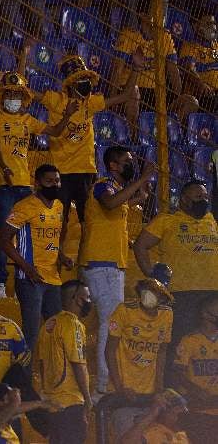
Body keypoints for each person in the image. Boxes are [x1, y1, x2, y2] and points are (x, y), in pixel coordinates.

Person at [34, 56, 137, 265]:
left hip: (86, 171)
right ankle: (56, 261)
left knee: (88, 222)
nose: (86, 84)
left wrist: (137, 67)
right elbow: (28, 92)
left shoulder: (91, 103)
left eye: (87, 79)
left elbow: (126, 95)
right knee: (60, 223)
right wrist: (25, 57)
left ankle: (84, 263)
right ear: (70, 83)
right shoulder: (56, 100)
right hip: (60, 172)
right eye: (81, 79)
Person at [0, 75, 75, 298]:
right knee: (6, 233)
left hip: (25, 186)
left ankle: (23, 279)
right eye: (10, 94)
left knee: (26, 237)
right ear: (3, 97)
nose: (13, 98)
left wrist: (67, 115)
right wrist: (4, 168)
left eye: (17, 95)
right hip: (4, 186)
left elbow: (55, 132)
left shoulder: (29, 120)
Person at [81, 145, 157, 394]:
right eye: (126, 160)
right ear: (113, 165)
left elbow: (118, 208)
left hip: (110, 264)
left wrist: (140, 196)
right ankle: (103, 385)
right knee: (110, 323)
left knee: (109, 322)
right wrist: (142, 179)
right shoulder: (104, 184)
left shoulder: (115, 190)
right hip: (102, 265)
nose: (130, 164)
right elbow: (111, 203)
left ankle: (105, 382)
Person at [134, 180, 218, 347]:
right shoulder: (167, 220)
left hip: (212, 291)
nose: (204, 201)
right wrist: (152, 278)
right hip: (180, 293)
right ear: (184, 200)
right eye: (198, 197)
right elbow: (140, 246)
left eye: (205, 196)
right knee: (180, 341)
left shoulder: (212, 222)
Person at [0, 164, 69, 348]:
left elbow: (54, 237)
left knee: (55, 333)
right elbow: (4, 241)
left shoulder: (59, 206)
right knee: (31, 333)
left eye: (57, 181)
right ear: (37, 184)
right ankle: (24, 376)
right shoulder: (24, 206)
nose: (54, 185)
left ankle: (51, 375)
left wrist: (61, 255)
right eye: (49, 181)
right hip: (31, 279)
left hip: (53, 278)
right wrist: (26, 268)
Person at [105, 273, 174, 436]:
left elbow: (162, 351)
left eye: (155, 291)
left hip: (151, 396)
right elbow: (109, 350)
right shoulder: (124, 310)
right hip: (124, 396)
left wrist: (159, 386)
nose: (149, 294)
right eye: (147, 289)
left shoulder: (167, 314)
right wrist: (120, 387)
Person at [112, 0, 195, 126]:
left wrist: (178, 97)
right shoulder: (128, 35)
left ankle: (169, 132)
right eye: (155, 10)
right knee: (134, 92)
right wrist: (113, 105)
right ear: (142, 15)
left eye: (161, 10)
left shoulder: (165, 36)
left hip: (157, 93)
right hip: (130, 90)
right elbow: (116, 72)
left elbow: (174, 72)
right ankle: (134, 140)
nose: (160, 14)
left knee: (191, 101)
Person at [36, 279, 95, 443]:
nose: (90, 301)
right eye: (87, 297)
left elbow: (41, 364)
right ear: (77, 298)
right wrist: (88, 399)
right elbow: (78, 363)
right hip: (71, 403)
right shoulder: (73, 324)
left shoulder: (48, 324)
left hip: (52, 404)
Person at [172, 295, 218, 443]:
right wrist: (196, 390)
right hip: (197, 410)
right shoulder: (189, 340)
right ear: (205, 314)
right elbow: (177, 374)